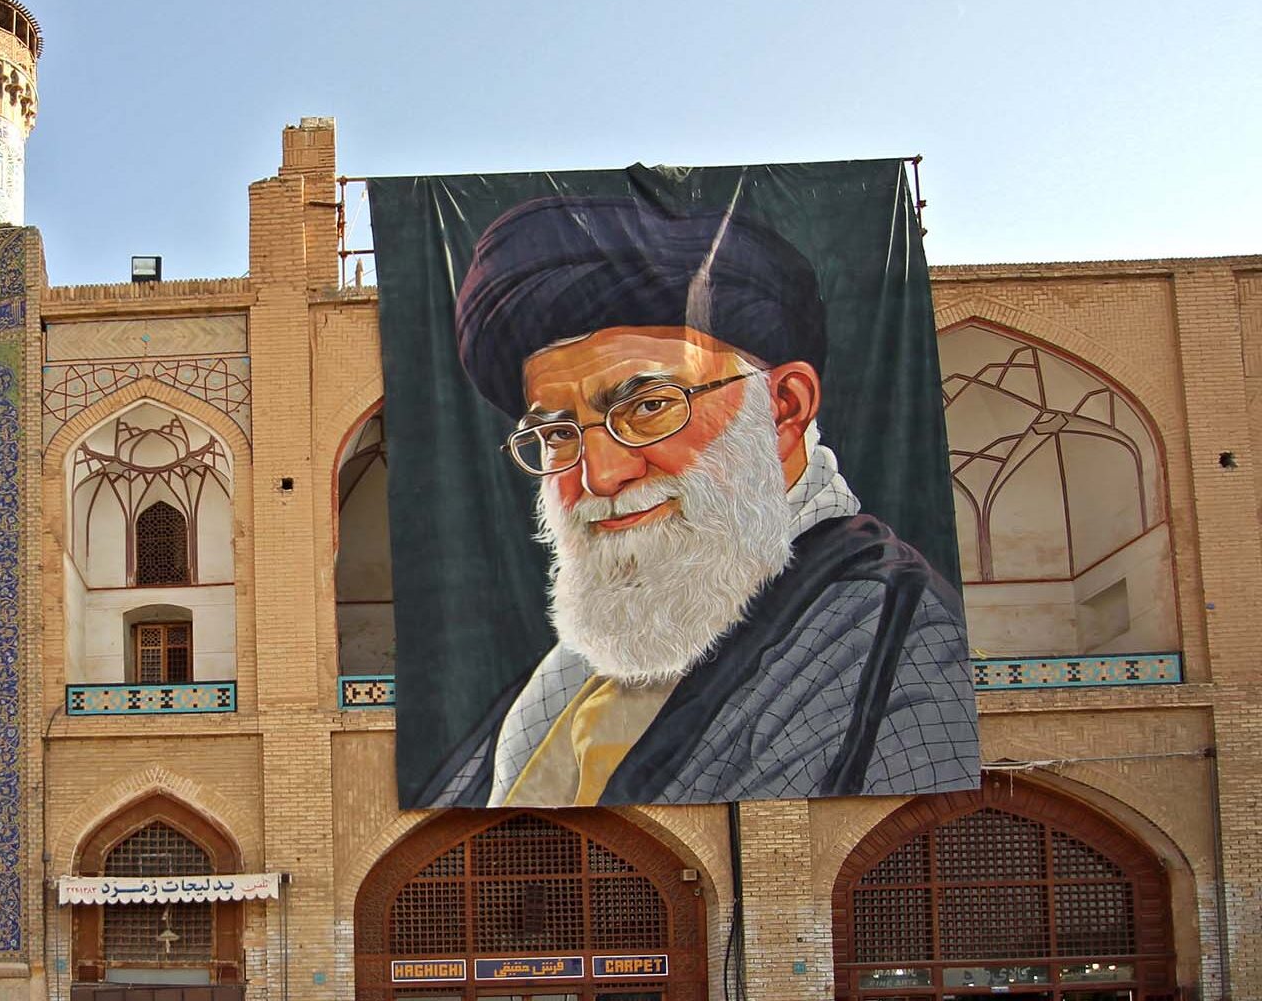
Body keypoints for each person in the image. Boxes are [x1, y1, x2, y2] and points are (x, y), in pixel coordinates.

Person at [416, 195, 979, 808]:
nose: (601, 475)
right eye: (557, 434)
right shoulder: (565, 681)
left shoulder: (888, 646)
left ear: (784, 407)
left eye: (649, 406)